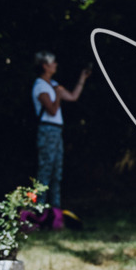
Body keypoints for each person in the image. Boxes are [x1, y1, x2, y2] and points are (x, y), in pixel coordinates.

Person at [31, 51, 90, 219]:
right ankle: (39, 214)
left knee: (57, 172)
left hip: (57, 131)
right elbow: (52, 109)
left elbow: (72, 96)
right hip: (47, 130)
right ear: (45, 65)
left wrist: (82, 79)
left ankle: (55, 214)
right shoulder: (40, 86)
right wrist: (57, 95)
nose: (56, 65)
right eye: (53, 62)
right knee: (45, 171)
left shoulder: (54, 84)